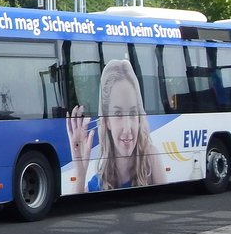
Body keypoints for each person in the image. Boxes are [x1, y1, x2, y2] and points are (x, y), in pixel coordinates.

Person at [66, 59, 161, 192]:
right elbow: (75, 209)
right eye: (117, 114)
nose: (127, 129)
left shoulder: (150, 159)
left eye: (133, 113)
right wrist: (80, 173)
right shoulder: (97, 183)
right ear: (106, 121)